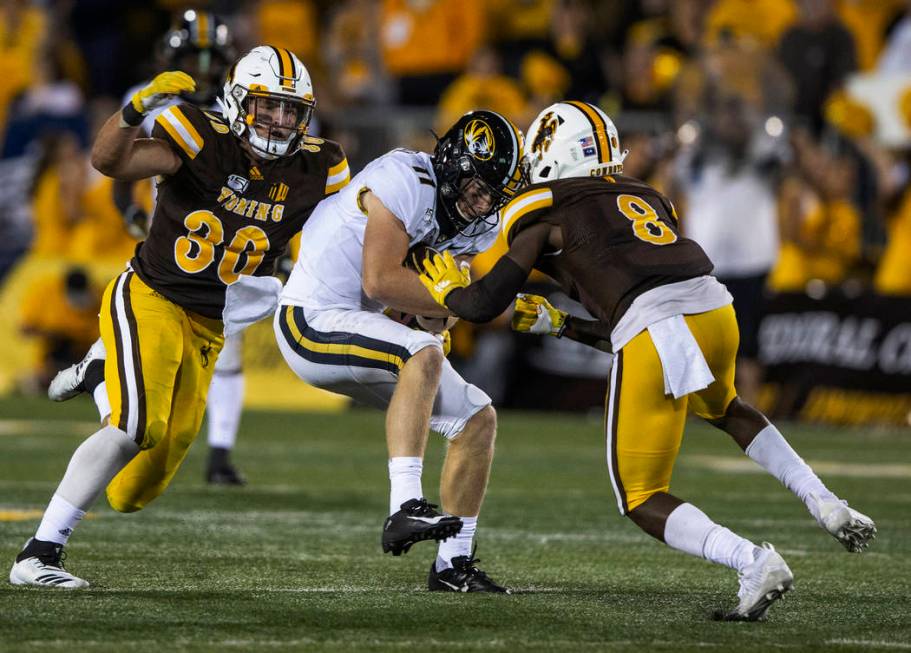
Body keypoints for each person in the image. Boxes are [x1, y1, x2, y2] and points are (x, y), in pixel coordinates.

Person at [418, 101, 876, 620]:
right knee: (724, 405)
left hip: (655, 321)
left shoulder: (543, 207)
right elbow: (630, 322)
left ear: (551, 155)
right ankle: (824, 501)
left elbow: (482, 305)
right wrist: (561, 323)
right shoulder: (645, 194)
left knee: (639, 495)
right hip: (714, 306)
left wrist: (445, 286)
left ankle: (752, 561)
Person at [9, 45, 349, 589]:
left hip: (214, 323)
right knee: (135, 425)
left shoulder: (319, 166)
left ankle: (103, 379)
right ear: (240, 103)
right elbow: (108, 163)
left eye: (292, 109)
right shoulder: (200, 138)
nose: (282, 120)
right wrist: (132, 112)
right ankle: (38, 554)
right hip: (152, 295)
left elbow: (351, 234)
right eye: (268, 106)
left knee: (131, 492)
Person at [276, 110, 525, 593]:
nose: (484, 204)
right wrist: (456, 299)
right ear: (453, 164)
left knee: (477, 419)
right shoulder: (405, 178)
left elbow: (434, 317)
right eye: (479, 187)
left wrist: (447, 302)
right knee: (424, 353)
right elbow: (381, 279)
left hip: (361, 324)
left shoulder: (476, 227)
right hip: (310, 317)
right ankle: (404, 506)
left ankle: (452, 565)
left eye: (495, 195)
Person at [51, 10, 249, 485]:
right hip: (173, 234)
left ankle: (219, 453)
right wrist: (129, 212)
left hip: (234, 240)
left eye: (210, 57)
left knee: (228, 344)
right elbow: (118, 162)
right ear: (172, 56)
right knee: (155, 345)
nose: (202, 67)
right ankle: (104, 374)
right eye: (193, 56)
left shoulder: (243, 106)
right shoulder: (154, 98)